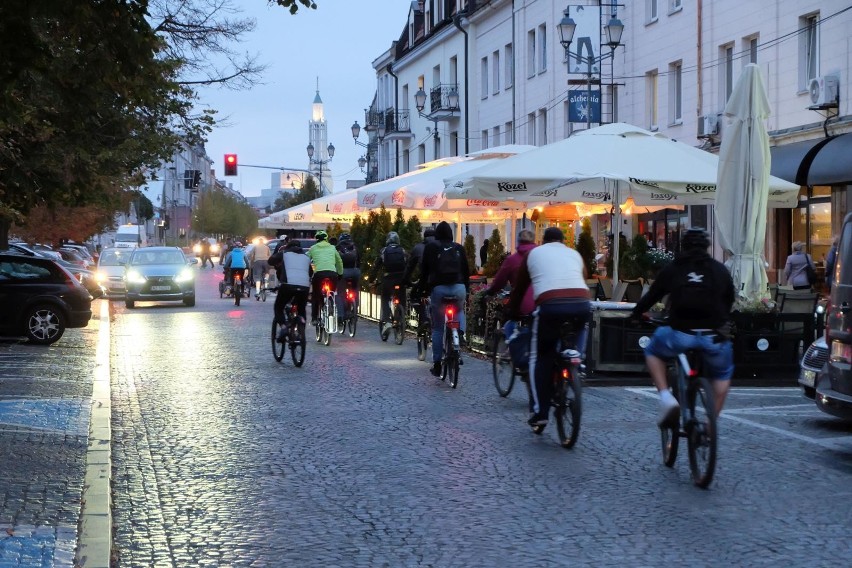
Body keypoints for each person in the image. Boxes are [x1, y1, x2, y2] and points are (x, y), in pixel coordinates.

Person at [630, 227, 735, 426]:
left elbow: (653, 295)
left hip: (681, 332)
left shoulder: (674, 268)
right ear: (707, 247)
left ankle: (666, 397)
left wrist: (636, 314)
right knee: (722, 373)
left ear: (683, 245)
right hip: (714, 335)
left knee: (652, 350)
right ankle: (711, 424)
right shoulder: (719, 270)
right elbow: (730, 298)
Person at [509, 227, 591, 428]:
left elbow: (520, 288)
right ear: (563, 240)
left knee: (540, 356)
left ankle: (540, 412)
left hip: (550, 307)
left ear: (543, 240)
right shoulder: (574, 253)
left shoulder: (533, 254)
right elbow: (584, 276)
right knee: (582, 326)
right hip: (581, 304)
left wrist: (512, 313)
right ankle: (577, 359)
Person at [482, 229, 538, 373]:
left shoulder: (513, 260)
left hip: (521, 301)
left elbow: (499, 281)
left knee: (509, 318)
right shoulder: (539, 256)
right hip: (542, 300)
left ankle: (511, 347)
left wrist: (489, 292)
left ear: (518, 242)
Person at [420, 221, 470, 377]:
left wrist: (422, 290)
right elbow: (467, 271)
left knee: (437, 327)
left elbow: (424, 272)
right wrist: (466, 291)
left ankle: (436, 364)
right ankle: (459, 335)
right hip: (459, 288)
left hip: (439, 289)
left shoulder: (431, 247)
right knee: (459, 310)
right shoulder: (459, 248)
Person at [268, 240, 311, 340]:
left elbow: (270, 261)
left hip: (288, 285)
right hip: (304, 286)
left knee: (279, 306)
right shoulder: (306, 257)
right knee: (301, 309)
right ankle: (301, 329)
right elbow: (310, 273)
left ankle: (283, 327)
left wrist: (278, 264)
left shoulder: (284, 253)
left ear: (288, 246)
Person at [374, 231, 408, 339]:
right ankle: (401, 318)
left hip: (388, 279)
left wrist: (371, 279)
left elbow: (376, 267)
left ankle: (387, 321)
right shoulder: (403, 251)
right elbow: (409, 265)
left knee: (385, 298)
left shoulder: (384, 251)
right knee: (402, 298)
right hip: (401, 279)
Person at [306, 230, 343, 325]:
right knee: (332, 293)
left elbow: (305, 259)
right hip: (332, 274)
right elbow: (339, 261)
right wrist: (340, 273)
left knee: (316, 295)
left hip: (319, 274)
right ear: (326, 239)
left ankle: (314, 318)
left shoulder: (313, 248)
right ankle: (331, 303)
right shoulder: (332, 248)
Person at [403, 227, 437, 328]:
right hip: (442, 280)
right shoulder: (441, 246)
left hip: (426, 280)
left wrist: (406, 280)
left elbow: (410, 267)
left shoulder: (418, 248)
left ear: (424, 237)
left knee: (414, 296)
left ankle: (424, 319)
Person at [335, 233, 361, 324]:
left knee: (340, 293)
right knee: (355, 290)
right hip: (355, 272)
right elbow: (359, 261)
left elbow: (335, 261)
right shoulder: (355, 247)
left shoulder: (337, 247)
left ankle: (341, 316)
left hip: (343, 273)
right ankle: (354, 312)